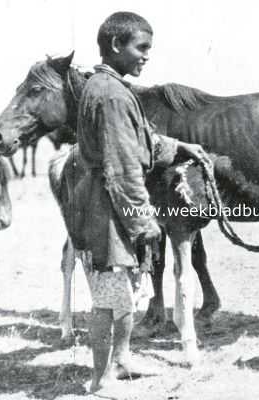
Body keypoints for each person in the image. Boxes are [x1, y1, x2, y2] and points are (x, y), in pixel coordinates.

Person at [76, 11, 209, 394]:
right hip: (110, 206)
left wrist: (178, 146)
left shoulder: (108, 87)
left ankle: (121, 360)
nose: (146, 55)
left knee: (123, 291)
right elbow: (122, 165)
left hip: (110, 201)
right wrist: (142, 221)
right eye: (141, 47)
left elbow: (143, 142)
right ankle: (100, 379)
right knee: (108, 295)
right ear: (117, 45)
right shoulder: (113, 95)